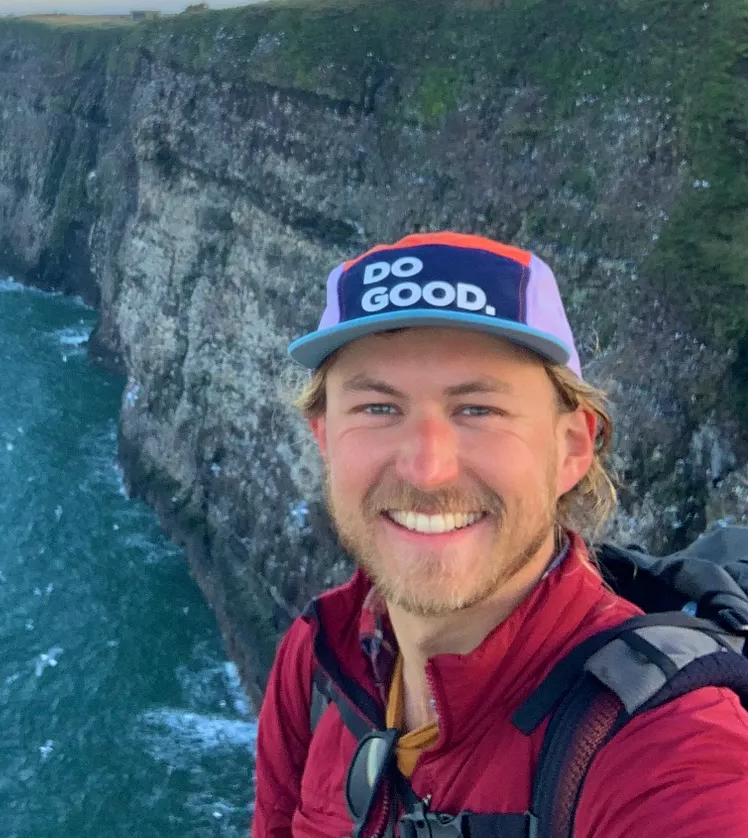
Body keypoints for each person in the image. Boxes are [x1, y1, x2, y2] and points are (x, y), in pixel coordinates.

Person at [253, 232, 748, 838]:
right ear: (325, 437)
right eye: (378, 408)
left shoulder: (663, 743)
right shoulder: (320, 659)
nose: (426, 468)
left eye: (479, 409)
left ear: (571, 448)